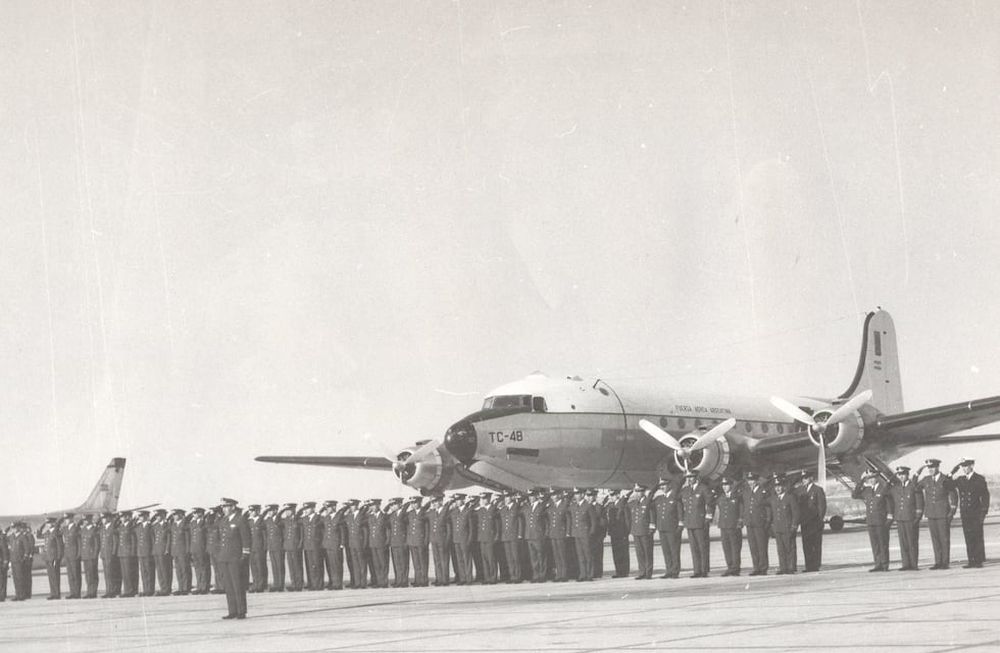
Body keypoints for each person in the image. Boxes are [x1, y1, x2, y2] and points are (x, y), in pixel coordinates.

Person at [916, 459, 958, 570]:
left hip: (943, 513)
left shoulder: (945, 479)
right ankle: (938, 561)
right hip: (931, 513)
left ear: (938, 467)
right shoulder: (926, 480)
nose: (930, 470)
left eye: (932, 467)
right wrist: (917, 472)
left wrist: (952, 511)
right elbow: (915, 486)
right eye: (928, 468)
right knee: (935, 539)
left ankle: (945, 562)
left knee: (944, 538)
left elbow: (953, 494)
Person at [950, 458, 990, 568]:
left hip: (976, 513)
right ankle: (971, 560)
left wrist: (983, 512)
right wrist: (952, 472)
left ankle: (978, 561)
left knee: (977, 536)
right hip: (965, 513)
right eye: (962, 467)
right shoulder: (961, 479)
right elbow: (947, 485)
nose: (964, 469)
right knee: (968, 537)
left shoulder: (979, 479)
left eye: (966, 466)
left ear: (971, 466)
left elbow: (985, 496)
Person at [217, 498, 251, 620]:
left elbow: (246, 538)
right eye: (222, 507)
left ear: (233, 507)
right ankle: (232, 610)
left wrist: (245, 554)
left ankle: (241, 611)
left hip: (235, 557)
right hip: (224, 557)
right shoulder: (223, 520)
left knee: (238, 585)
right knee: (228, 586)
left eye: (226, 506)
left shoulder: (240, 519)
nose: (223, 509)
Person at [853, 471, 891, 572]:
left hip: (880, 520)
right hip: (871, 521)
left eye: (873, 478)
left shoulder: (883, 489)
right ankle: (877, 564)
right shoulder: (867, 490)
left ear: (877, 478)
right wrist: (861, 481)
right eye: (869, 479)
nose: (871, 480)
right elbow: (854, 495)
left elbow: (889, 504)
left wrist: (889, 519)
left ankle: (884, 564)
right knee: (874, 544)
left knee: (883, 543)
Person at [887, 465, 923, 571]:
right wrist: (890, 479)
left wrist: (918, 517)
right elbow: (885, 492)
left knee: (912, 542)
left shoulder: (913, 486)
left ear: (907, 475)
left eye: (903, 474)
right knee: (903, 543)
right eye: (899, 475)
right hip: (900, 517)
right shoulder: (896, 487)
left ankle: (913, 564)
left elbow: (919, 501)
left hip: (910, 518)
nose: (901, 477)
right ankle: (906, 564)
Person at [680, 472, 714, 578]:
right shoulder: (685, 490)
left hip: (700, 522)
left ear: (696, 478)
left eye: (691, 477)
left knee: (702, 547)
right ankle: (697, 570)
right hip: (690, 522)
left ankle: (704, 570)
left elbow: (710, 502)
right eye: (688, 477)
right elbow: (677, 497)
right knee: (694, 548)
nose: (689, 479)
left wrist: (708, 517)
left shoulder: (703, 488)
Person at [769, 475, 800, 575]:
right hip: (778, 528)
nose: (777, 488)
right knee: (781, 549)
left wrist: (794, 526)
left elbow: (796, 513)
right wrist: (772, 526)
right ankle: (783, 567)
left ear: (784, 487)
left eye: (779, 486)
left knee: (790, 548)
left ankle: (791, 567)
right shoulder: (774, 499)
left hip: (788, 527)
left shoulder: (790, 498)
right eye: (776, 486)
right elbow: (773, 514)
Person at [652, 478, 682, 579]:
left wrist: (680, 525)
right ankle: (668, 570)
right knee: (666, 551)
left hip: (672, 528)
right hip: (662, 528)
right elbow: (648, 503)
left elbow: (680, 511)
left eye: (664, 485)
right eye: (660, 486)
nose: (662, 487)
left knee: (674, 551)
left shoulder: (675, 497)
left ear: (669, 485)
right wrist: (654, 488)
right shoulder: (659, 498)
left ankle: (675, 571)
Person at [796, 472, 826, 572]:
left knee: (816, 544)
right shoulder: (800, 490)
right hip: (805, 522)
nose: (804, 480)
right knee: (806, 545)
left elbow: (822, 507)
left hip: (815, 522)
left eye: (806, 478)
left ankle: (816, 565)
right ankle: (809, 566)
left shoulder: (818, 490)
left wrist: (820, 520)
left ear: (811, 478)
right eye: (802, 478)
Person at [742, 472, 770, 576]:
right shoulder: (746, 492)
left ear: (756, 481)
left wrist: (767, 520)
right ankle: (756, 567)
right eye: (749, 480)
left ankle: (763, 568)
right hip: (749, 522)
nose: (750, 482)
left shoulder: (763, 491)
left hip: (760, 522)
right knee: (753, 546)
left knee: (762, 546)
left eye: (752, 480)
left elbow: (768, 507)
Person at [715, 477, 743, 576]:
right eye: (723, 485)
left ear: (731, 485)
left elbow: (741, 510)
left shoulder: (737, 497)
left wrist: (739, 522)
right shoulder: (721, 498)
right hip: (723, 526)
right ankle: (730, 567)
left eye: (726, 485)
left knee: (735, 547)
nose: (724, 487)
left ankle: (736, 568)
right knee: (726, 547)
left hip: (733, 526)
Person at [627, 484, 654, 580]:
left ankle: (648, 573)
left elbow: (652, 514)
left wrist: (652, 527)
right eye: (637, 491)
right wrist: (629, 493)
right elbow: (623, 505)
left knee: (647, 552)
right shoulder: (633, 503)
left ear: (643, 492)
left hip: (645, 530)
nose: (638, 494)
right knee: (639, 553)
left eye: (640, 491)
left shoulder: (648, 502)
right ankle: (642, 572)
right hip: (636, 530)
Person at [569, 489, 595, 581]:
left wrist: (591, 533)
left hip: (585, 533)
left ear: (583, 495)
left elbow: (593, 521)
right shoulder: (573, 506)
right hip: (577, 533)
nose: (576, 496)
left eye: (578, 494)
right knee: (580, 555)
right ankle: (582, 574)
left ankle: (589, 574)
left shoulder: (588, 506)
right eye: (575, 494)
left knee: (587, 554)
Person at [320, 501, 345, 590]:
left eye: (329, 507)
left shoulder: (339, 517)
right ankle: (333, 582)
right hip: (328, 544)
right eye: (326, 508)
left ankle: (338, 584)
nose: (327, 509)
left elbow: (342, 531)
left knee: (336, 564)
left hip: (336, 544)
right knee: (330, 565)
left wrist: (342, 543)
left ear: (334, 507)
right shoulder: (327, 517)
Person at [547, 490, 571, 582]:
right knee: (556, 555)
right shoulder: (551, 506)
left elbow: (568, 519)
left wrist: (567, 532)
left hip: (561, 533)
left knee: (562, 554)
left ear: (559, 495)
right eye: (552, 496)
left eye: (555, 495)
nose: (553, 497)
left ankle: (564, 574)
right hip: (553, 533)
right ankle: (559, 574)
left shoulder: (564, 505)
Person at [449, 494, 473, 585]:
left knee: (467, 559)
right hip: (456, 539)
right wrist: (449, 504)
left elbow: (471, 528)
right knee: (460, 560)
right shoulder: (454, 511)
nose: (457, 502)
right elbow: (446, 517)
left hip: (464, 539)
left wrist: (469, 539)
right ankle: (462, 578)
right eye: (456, 500)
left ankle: (468, 578)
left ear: (463, 500)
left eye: (458, 500)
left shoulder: (468, 511)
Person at [428, 495, 453, 586]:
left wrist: (447, 540)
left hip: (442, 540)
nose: (434, 504)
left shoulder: (445, 511)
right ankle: (439, 578)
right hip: (434, 540)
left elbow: (448, 528)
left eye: (435, 501)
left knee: (444, 560)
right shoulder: (432, 512)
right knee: (437, 560)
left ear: (441, 501)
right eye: (432, 502)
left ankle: (445, 580)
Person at [406, 497, 430, 586]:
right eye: (411, 503)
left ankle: (424, 580)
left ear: (420, 502)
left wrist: (426, 541)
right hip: (412, 541)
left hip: (421, 540)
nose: (413, 505)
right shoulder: (410, 513)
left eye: (415, 503)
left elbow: (427, 528)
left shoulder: (424, 513)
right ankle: (418, 580)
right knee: (416, 562)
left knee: (423, 562)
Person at [344, 499, 368, 588]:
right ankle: (357, 583)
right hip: (352, 543)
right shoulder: (349, 516)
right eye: (350, 506)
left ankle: (363, 583)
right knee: (355, 564)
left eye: (353, 506)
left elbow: (365, 531)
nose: (351, 507)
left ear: (357, 505)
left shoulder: (362, 515)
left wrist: (364, 543)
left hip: (360, 543)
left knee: (362, 563)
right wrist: (344, 510)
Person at [476, 493, 500, 584]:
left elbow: (497, 524)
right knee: (485, 559)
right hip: (482, 538)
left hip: (490, 537)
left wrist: (496, 536)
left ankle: (493, 578)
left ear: (489, 499)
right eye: (482, 499)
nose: (483, 501)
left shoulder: (493, 509)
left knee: (491, 558)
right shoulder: (481, 510)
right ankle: (487, 578)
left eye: (485, 499)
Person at [300, 502, 324, 590]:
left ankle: (319, 584)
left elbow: (323, 531)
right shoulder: (304, 519)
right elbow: (295, 518)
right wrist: (302, 510)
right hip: (307, 545)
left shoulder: (318, 518)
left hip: (316, 545)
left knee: (317, 565)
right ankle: (312, 583)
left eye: (307, 508)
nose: (306, 510)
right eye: (304, 509)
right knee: (309, 565)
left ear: (313, 508)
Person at [606, 490, 630, 578]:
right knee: (616, 553)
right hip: (614, 533)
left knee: (623, 553)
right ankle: (618, 571)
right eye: (610, 495)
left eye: (613, 495)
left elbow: (627, 520)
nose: (611, 497)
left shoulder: (623, 505)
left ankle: (624, 571)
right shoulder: (611, 506)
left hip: (622, 533)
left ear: (618, 495)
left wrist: (626, 532)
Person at [366, 499, 390, 588]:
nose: (372, 507)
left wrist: (387, 541)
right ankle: (379, 581)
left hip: (381, 543)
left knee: (383, 563)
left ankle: (384, 582)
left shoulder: (384, 516)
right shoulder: (370, 516)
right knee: (376, 564)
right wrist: (368, 510)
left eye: (374, 505)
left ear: (379, 505)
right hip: (373, 543)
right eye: (371, 506)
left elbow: (388, 529)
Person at [385, 498, 409, 587]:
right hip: (394, 542)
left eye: (394, 504)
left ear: (399, 504)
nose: (392, 506)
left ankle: (404, 581)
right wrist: (387, 508)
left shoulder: (404, 515)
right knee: (396, 563)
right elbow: (384, 518)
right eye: (390, 505)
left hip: (402, 542)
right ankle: (398, 580)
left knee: (403, 562)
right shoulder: (392, 515)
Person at [245, 504, 268, 592]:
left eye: (252, 511)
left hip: (259, 547)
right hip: (252, 547)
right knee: (253, 567)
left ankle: (261, 585)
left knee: (260, 566)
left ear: (257, 511)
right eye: (250, 511)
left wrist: (265, 547)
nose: (250, 512)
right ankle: (255, 583)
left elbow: (264, 536)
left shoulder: (262, 521)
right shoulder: (249, 521)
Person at [39, 517, 64, 599]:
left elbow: (59, 546)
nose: (48, 525)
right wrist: (42, 526)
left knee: (55, 576)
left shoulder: (56, 532)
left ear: (53, 523)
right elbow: (39, 535)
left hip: (54, 557)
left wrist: (59, 557)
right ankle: (53, 593)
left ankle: (56, 594)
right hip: (48, 557)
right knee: (51, 576)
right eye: (47, 523)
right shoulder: (48, 532)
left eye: (49, 523)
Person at [281, 503, 304, 591]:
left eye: (288, 510)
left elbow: (301, 534)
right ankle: (293, 583)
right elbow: (276, 521)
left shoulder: (298, 520)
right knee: (291, 566)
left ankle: (299, 584)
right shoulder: (285, 520)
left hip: (295, 546)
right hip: (288, 546)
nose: (286, 512)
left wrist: (300, 544)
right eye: (285, 510)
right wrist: (282, 510)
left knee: (297, 566)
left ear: (293, 510)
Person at [116, 511, 139, 598]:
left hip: (128, 553)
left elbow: (133, 540)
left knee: (130, 572)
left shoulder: (131, 526)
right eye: (120, 517)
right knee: (124, 573)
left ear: (127, 517)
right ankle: (127, 590)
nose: (121, 518)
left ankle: (131, 590)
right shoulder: (121, 526)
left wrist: (133, 552)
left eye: (122, 517)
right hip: (122, 552)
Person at [262, 504, 284, 591]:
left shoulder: (280, 521)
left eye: (271, 511)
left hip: (278, 546)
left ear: (275, 511)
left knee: (279, 566)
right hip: (271, 546)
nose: (269, 513)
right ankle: (276, 584)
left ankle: (280, 585)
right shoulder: (268, 520)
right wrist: (264, 512)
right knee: (274, 566)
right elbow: (260, 522)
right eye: (268, 511)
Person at [134, 510, 156, 597]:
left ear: (147, 517)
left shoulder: (151, 527)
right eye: (139, 516)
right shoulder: (138, 526)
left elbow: (153, 540)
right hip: (141, 552)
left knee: (149, 571)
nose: (140, 518)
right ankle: (145, 589)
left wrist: (152, 551)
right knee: (143, 572)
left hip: (148, 552)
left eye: (141, 516)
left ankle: (150, 589)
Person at [99, 512, 121, 598]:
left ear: (108, 518)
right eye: (102, 518)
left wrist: (113, 553)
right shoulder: (103, 528)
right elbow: (102, 542)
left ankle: (112, 591)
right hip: (104, 554)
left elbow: (115, 542)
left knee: (111, 573)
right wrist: (101, 552)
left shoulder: (113, 527)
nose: (103, 520)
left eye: (104, 518)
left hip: (110, 554)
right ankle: (108, 590)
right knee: (107, 573)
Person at [151, 509, 173, 596]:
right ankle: (162, 588)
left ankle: (167, 589)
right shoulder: (155, 526)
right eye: (156, 516)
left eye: (158, 515)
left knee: (165, 570)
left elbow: (169, 538)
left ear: (163, 516)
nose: (157, 517)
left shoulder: (167, 525)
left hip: (164, 551)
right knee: (159, 570)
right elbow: (153, 537)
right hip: (156, 550)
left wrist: (167, 549)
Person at [170, 509, 192, 595]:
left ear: (181, 515)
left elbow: (187, 539)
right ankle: (181, 587)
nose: (174, 516)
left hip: (183, 551)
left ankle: (186, 587)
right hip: (175, 551)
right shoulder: (174, 524)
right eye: (173, 515)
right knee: (178, 570)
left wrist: (187, 550)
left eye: (175, 514)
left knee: (184, 569)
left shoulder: (185, 525)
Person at [189, 508, 211, 594]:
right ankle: (199, 585)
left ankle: (205, 586)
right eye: (193, 513)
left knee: (204, 568)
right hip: (194, 549)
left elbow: (207, 536)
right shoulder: (193, 523)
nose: (193, 514)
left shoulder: (205, 523)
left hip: (202, 548)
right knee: (197, 568)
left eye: (195, 513)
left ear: (201, 513)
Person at [61, 513, 82, 599]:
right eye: (65, 519)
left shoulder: (76, 528)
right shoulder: (65, 529)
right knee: (70, 575)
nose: (65, 521)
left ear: (71, 519)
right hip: (68, 555)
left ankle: (77, 593)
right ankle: (72, 592)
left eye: (67, 519)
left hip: (74, 554)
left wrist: (79, 554)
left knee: (76, 574)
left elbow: (79, 542)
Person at [79, 515, 101, 598]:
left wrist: (95, 554)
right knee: (87, 574)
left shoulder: (94, 529)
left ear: (90, 520)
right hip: (85, 555)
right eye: (84, 520)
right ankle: (89, 591)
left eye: (86, 520)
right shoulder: (84, 530)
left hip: (92, 555)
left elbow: (96, 544)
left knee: (93, 574)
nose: (85, 521)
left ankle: (93, 592)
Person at [11, 522, 33, 601]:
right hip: (13, 560)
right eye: (12, 528)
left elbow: (27, 549)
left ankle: (22, 595)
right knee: (15, 579)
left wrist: (24, 558)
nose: (13, 529)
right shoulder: (12, 537)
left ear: (18, 528)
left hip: (20, 561)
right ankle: (17, 594)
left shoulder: (22, 537)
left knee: (21, 578)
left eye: (15, 528)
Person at [0, 525, 8, 602]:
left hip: (0, 562)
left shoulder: (1, 539)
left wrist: (5, 561)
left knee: (1, 580)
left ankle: (1, 596)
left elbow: (5, 551)